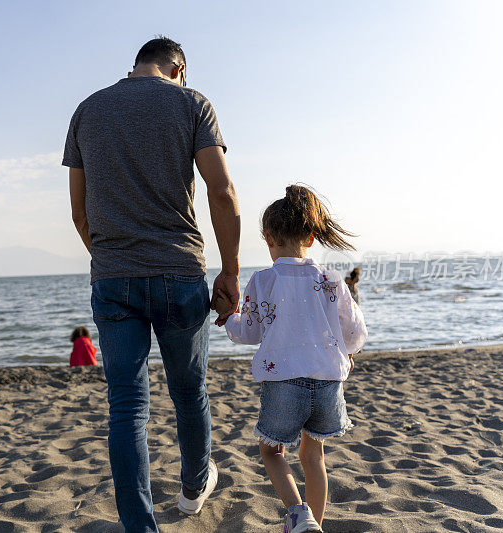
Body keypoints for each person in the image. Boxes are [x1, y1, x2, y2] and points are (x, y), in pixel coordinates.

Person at [63, 36, 240, 532]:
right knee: (190, 391)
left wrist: (112, 260)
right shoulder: (191, 103)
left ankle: (140, 527)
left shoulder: (86, 110)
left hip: (113, 276)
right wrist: (229, 270)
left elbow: (79, 212)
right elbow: (221, 190)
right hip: (179, 271)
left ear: (136, 65)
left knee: (127, 407)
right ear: (178, 68)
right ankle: (193, 485)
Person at [212, 185, 367, 533]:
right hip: (328, 383)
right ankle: (316, 526)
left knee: (271, 453)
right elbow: (356, 331)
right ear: (311, 238)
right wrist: (348, 353)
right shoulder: (330, 279)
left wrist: (228, 316)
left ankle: (299, 515)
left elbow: (248, 333)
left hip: (284, 383)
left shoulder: (264, 280)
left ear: (268, 238)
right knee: (314, 457)